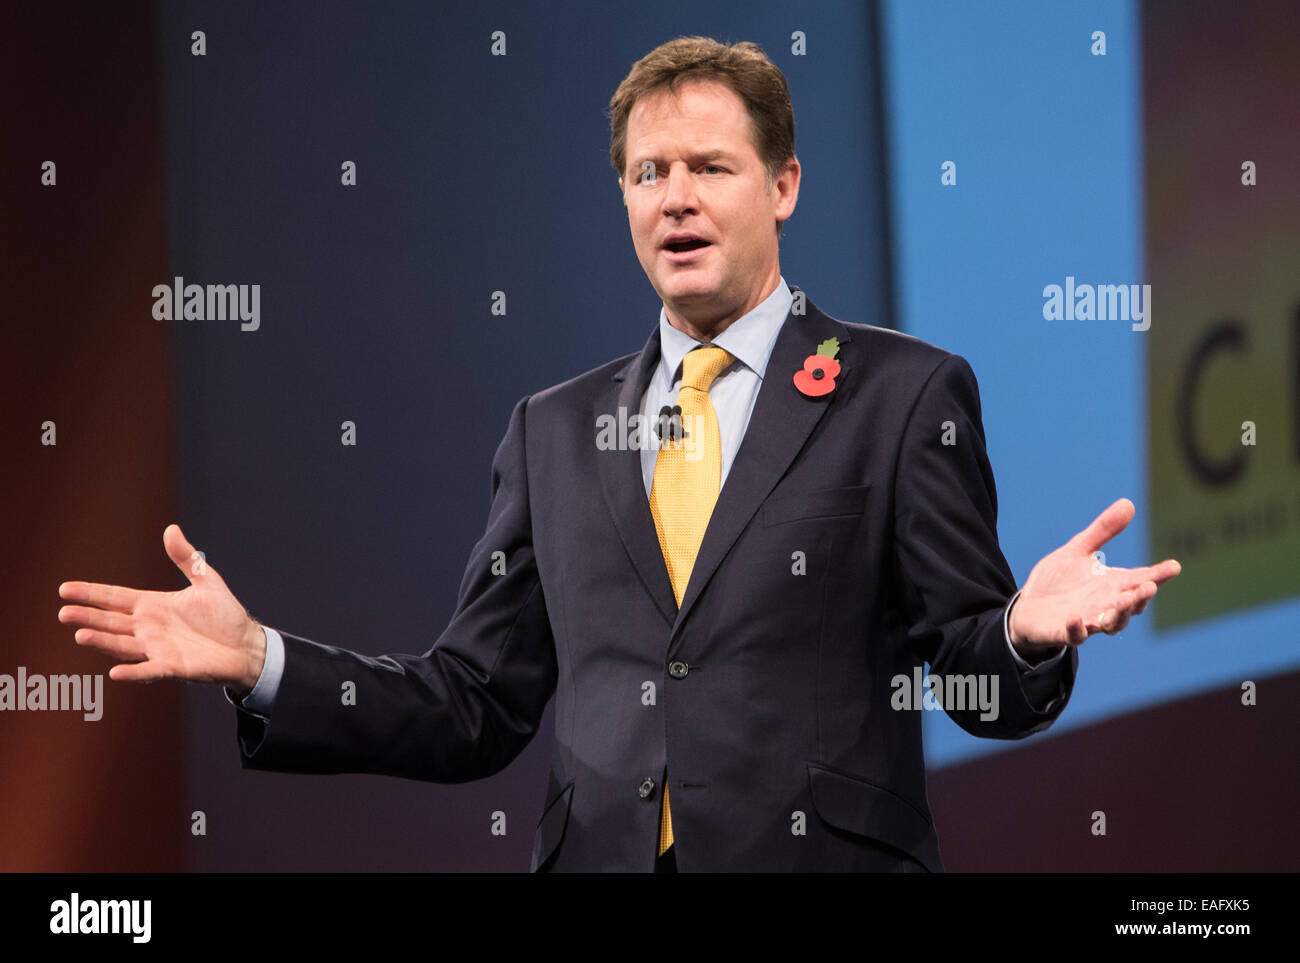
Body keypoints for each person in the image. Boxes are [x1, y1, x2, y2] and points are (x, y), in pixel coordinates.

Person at [57, 36, 1180, 872]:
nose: (675, 199)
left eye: (709, 167)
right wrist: (262, 658)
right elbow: (470, 707)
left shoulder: (901, 392)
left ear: (783, 186)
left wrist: (1024, 638)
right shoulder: (551, 429)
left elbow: (973, 680)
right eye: (648, 174)